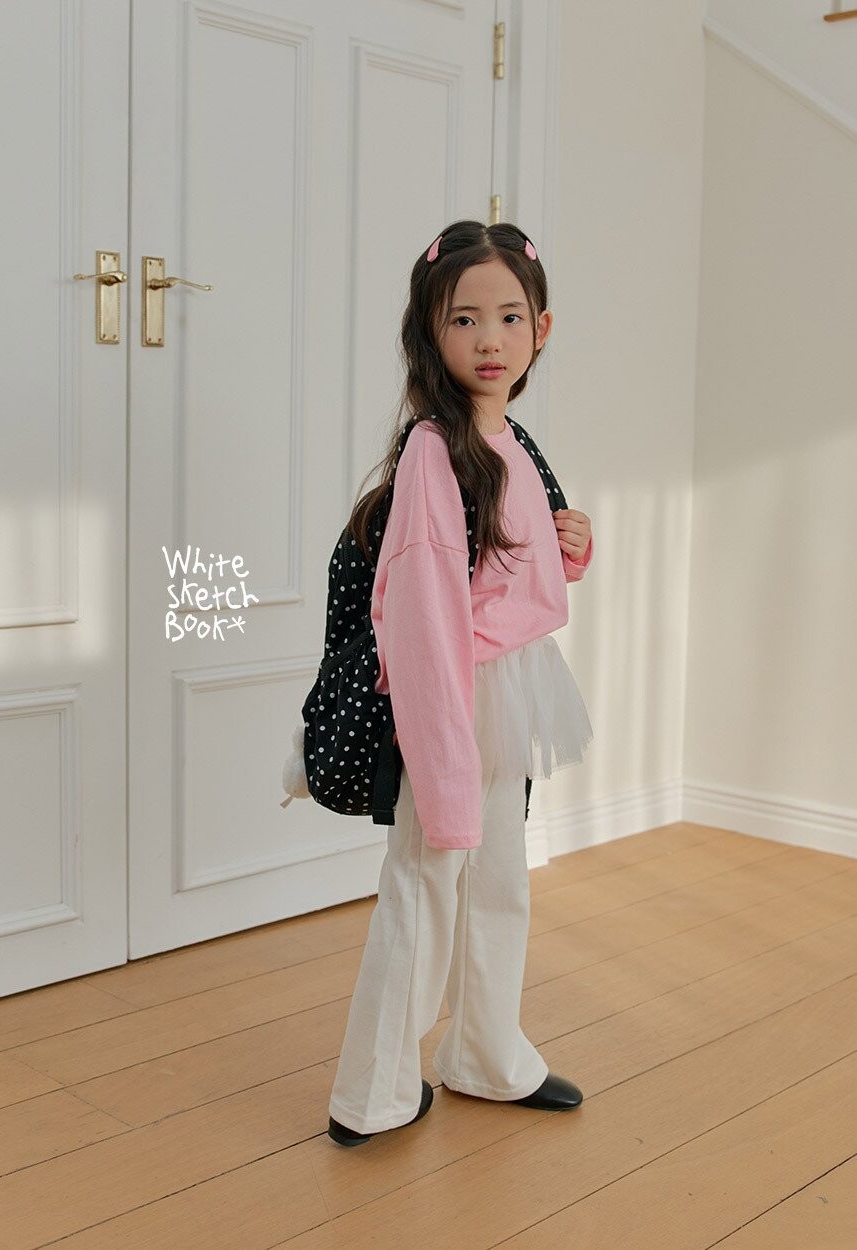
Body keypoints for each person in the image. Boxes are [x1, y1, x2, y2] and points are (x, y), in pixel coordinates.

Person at [327, 220, 594, 1147]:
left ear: (541, 330)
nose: (490, 339)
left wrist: (570, 545)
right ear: (428, 332)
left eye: (510, 317)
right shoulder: (433, 454)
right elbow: (426, 623)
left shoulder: (508, 438)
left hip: (509, 687)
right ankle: (373, 1092)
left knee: (497, 880)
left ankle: (485, 1053)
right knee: (427, 880)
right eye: (464, 318)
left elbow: (507, 567)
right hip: (454, 696)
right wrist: (439, 770)